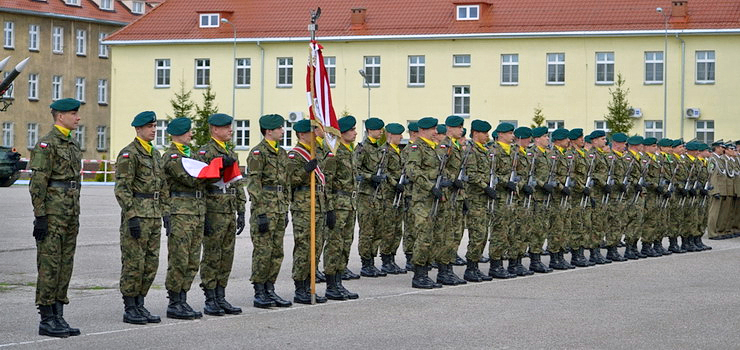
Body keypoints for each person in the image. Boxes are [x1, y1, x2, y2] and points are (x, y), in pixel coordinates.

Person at [29, 98, 83, 338]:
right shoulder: (46, 144)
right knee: (49, 264)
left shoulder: (72, 144)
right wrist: (40, 215)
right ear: (60, 116)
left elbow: (76, 181)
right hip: (52, 213)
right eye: (73, 113)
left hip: (70, 212)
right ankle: (46, 317)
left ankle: (58, 313)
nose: (78, 118)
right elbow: (38, 183)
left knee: (65, 264)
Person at [114, 111, 167, 324]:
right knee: (133, 263)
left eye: (155, 126)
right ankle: (130, 306)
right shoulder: (129, 154)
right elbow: (122, 188)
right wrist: (131, 215)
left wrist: (165, 212)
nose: (154, 129)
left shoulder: (155, 154)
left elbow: (162, 186)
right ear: (138, 129)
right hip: (137, 214)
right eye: (150, 126)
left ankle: (140, 303)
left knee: (150, 263)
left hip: (153, 215)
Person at [160, 117, 214, 319]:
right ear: (178, 134)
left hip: (197, 212)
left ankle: (183, 298)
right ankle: (175, 302)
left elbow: (204, 177)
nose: (191, 134)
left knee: (192, 260)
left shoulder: (191, 156)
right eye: (188, 132)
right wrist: (213, 173)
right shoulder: (172, 157)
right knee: (179, 258)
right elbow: (191, 180)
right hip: (181, 213)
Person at [197, 113, 246, 312]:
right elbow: (199, 183)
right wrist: (204, 214)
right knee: (212, 256)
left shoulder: (231, 152)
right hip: (214, 210)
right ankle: (210, 298)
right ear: (215, 129)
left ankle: (221, 295)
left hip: (229, 210)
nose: (231, 130)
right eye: (226, 127)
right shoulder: (205, 152)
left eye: (230, 127)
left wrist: (241, 210)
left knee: (227, 255)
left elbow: (237, 183)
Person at [246, 114, 291, 308]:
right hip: (265, 208)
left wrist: (286, 207)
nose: (283, 131)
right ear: (268, 131)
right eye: (279, 128)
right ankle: (259, 291)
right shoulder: (258, 153)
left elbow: (286, 182)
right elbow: (254, 183)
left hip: (280, 208)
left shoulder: (281, 153)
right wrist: (261, 212)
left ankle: (270, 288)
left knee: (276, 251)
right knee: (263, 251)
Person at [286, 119, 328, 304]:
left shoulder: (315, 152)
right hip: (304, 207)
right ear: (302, 134)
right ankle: (300, 287)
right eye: (312, 132)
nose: (315, 135)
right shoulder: (295, 155)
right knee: (304, 247)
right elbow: (291, 180)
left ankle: (310, 285)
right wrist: (305, 170)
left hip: (318, 205)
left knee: (316, 246)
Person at [323, 115, 360, 299]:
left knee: (345, 245)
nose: (355, 132)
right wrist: (329, 209)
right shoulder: (334, 153)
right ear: (342, 132)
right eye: (352, 130)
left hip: (350, 205)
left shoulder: (349, 151)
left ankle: (339, 282)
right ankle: (331, 285)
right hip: (338, 205)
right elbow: (327, 183)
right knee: (334, 245)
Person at [462, 120, 496, 281]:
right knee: (477, 233)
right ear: (476, 133)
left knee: (483, 234)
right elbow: (472, 174)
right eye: (485, 133)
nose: (487, 136)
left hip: (483, 199)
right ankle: (470, 267)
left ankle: (475, 266)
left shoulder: (485, 150)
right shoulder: (471, 150)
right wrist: (485, 186)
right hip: (475, 198)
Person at [355, 117, 388, 277]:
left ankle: (373, 261)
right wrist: (370, 177)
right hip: (366, 195)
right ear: (369, 131)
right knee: (367, 230)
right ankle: (366, 263)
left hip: (379, 195)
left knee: (378, 230)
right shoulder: (362, 148)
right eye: (378, 129)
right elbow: (356, 170)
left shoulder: (380, 149)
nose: (381, 132)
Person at [378, 123, 407, 275]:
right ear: (390, 135)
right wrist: (396, 184)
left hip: (399, 195)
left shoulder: (398, 151)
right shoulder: (385, 151)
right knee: (388, 229)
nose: (401, 137)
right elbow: (384, 171)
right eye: (398, 135)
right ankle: (385, 260)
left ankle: (392, 258)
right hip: (389, 195)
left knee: (397, 229)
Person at [402, 122, 419, 271]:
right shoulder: (409, 150)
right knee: (410, 228)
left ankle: (416, 255)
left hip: (418, 194)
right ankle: (409, 256)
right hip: (409, 193)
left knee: (418, 227)